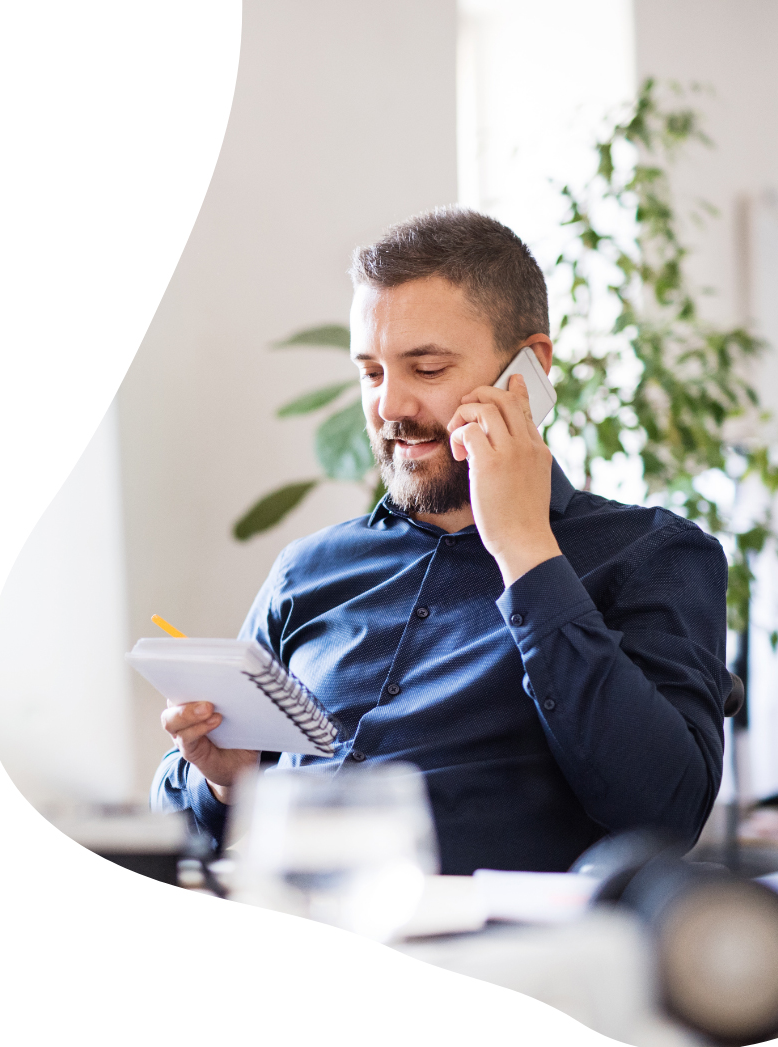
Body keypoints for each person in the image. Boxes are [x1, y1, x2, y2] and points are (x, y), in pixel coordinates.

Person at [152, 207, 730, 874]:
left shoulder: (652, 554)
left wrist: (523, 548)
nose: (388, 406)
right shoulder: (306, 570)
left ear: (528, 370)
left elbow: (665, 811)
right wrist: (226, 780)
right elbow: (172, 833)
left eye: (425, 369)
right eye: (371, 372)